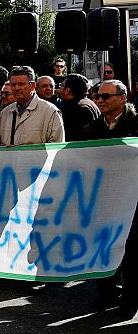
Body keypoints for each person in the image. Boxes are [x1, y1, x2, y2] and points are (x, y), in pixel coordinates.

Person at [81, 79, 138, 317]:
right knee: (102, 248)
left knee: (131, 254)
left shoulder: (136, 125)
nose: (100, 100)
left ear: (123, 98)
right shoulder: (92, 129)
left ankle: (130, 301)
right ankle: (106, 294)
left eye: (106, 96)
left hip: (132, 202)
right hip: (103, 200)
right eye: (97, 96)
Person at [0, 66, 64, 146]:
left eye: (21, 84)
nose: (17, 88)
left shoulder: (50, 111)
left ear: (32, 86)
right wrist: (1, 146)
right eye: (13, 84)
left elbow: (57, 146)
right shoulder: (5, 113)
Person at [57, 73, 99, 141]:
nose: (59, 88)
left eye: (61, 85)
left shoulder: (76, 108)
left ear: (67, 90)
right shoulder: (88, 103)